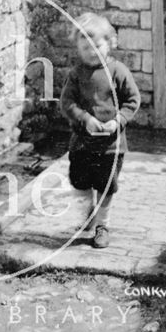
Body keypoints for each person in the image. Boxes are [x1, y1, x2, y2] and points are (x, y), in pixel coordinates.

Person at [59, 12, 141, 248]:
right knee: (80, 181)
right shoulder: (76, 75)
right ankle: (89, 211)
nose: (91, 52)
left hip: (110, 146)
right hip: (82, 143)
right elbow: (67, 103)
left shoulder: (118, 71)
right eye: (85, 48)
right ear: (78, 48)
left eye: (96, 46)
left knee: (106, 185)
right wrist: (84, 118)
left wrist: (118, 121)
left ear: (110, 43)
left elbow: (132, 100)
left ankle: (102, 226)